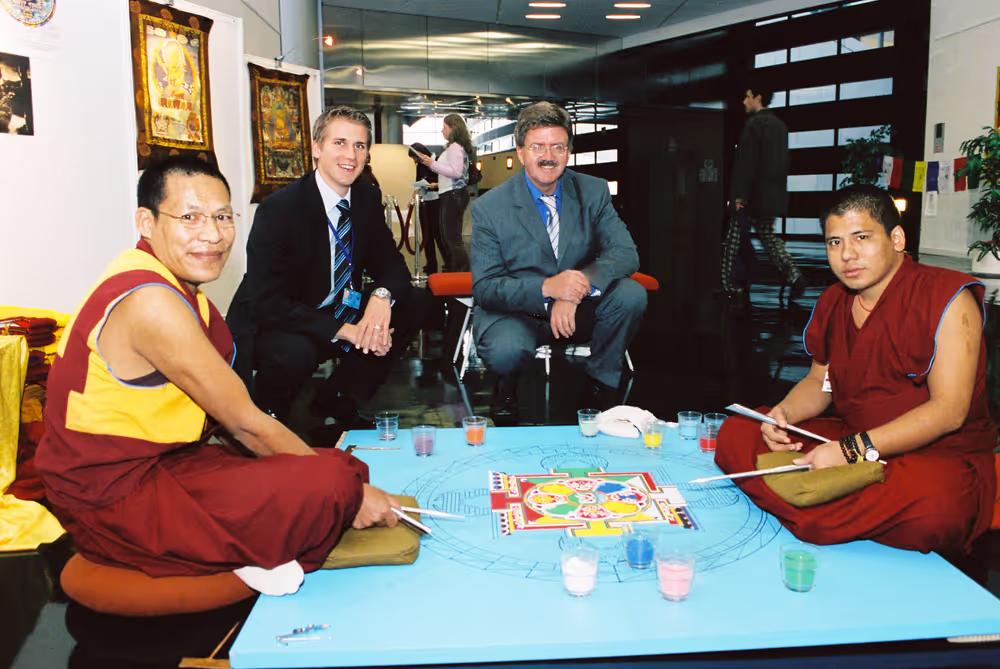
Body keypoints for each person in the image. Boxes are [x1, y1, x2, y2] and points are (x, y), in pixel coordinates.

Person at [34, 156, 400, 585]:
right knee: (333, 486)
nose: (212, 235)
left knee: (338, 468)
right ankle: (253, 562)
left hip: (167, 461)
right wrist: (352, 498)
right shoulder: (152, 302)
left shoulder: (176, 288)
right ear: (146, 222)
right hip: (111, 496)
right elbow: (245, 425)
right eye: (189, 217)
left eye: (223, 217)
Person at [715, 185, 996, 555]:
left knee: (937, 509)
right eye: (834, 242)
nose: (847, 255)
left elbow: (949, 412)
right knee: (739, 431)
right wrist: (785, 414)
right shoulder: (834, 301)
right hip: (853, 437)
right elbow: (821, 381)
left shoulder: (947, 296)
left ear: (896, 238)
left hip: (931, 454)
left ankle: (811, 505)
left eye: (861, 237)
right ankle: (829, 506)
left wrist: (850, 451)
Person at [228, 106, 433, 429]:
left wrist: (380, 299)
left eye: (359, 145)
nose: (350, 155)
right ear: (316, 148)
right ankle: (268, 414)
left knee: (415, 301)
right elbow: (269, 302)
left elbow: (393, 267)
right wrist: (349, 331)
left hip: (337, 304)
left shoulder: (366, 198)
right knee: (298, 350)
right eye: (339, 143)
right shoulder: (279, 209)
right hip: (279, 318)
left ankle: (339, 398)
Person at [471, 102, 646, 425]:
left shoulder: (592, 191)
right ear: (521, 152)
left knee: (630, 294)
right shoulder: (489, 207)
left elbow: (625, 253)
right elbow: (485, 287)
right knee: (506, 349)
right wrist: (548, 288)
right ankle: (506, 389)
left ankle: (602, 386)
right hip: (519, 312)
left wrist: (573, 289)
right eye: (538, 146)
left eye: (557, 146)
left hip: (577, 308)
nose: (548, 156)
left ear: (568, 152)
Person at [722, 84, 805, 299]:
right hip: (770, 196)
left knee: (733, 238)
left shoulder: (753, 125)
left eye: (747, 97)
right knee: (768, 236)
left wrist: (739, 196)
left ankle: (730, 286)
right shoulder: (780, 126)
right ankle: (794, 274)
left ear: (757, 98)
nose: (744, 101)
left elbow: (746, 164)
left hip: (750, 196)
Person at [416, 113, 473, 271]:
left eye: (444, 127)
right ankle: (456, 268)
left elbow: (456, 172)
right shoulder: (456, 147)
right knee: (449, 236)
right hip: (452, 194)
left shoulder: (455, 148)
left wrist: (432, 164)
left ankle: (462, 270)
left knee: (452, 237)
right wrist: (437, 183)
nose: (442, 131)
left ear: (453, 128)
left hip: (453, 195)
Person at [410, 142, 441, 274]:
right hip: (424, 202)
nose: (415, 161)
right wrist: (414, 198)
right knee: (426, 235)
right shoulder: (420, 167)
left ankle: (449, 262)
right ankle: (431, 264)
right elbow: (417, 184)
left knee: (438, 234)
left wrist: (434, 185)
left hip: (436, 200)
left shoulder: (437, 161)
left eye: (415, 157)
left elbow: (445, 180)